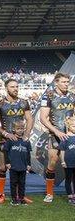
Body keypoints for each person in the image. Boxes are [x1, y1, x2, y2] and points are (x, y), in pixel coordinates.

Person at [0, 79, 33, 204]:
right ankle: (1, 194)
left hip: (20, 141)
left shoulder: (24, 102)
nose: (15, 88)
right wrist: (6, 134)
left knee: (21, 167)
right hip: (5, 140)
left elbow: (29, 119)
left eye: (17, 86)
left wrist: (26, 134)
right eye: (12, 86)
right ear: (6, 88)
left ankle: (21, 196)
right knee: (3, 167)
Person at [39, 72, 75, 203]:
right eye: (64, 82)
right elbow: (43, 118)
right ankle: (49, 193)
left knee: (71, 164)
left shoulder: (72, 96)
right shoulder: (48, 96)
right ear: (56, 82)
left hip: (71, 135)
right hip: (55, 135)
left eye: (67, 82)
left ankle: (71, 194)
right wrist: (56, 131)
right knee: (53, 161)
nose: (66, 84)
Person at [3, 121, 33, 205]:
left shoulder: (26, 141)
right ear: (14, 129)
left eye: (22, 128)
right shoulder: (10, 140)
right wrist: (7, 163)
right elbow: (5, 151)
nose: (20, 130)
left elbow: (28, 154)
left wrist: (29, 164)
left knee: (22, 183)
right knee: (13, 183)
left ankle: (21, 198)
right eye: (18, 129)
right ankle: (14, 199)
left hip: (23, 166)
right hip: (13, 166)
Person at [59, 117, 75, 205]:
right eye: (73, 126)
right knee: (68, 179)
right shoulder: (65, 137)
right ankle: (69, 196)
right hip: (68, 163)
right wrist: (63, 161)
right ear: (68, 126)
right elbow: (62, 150)